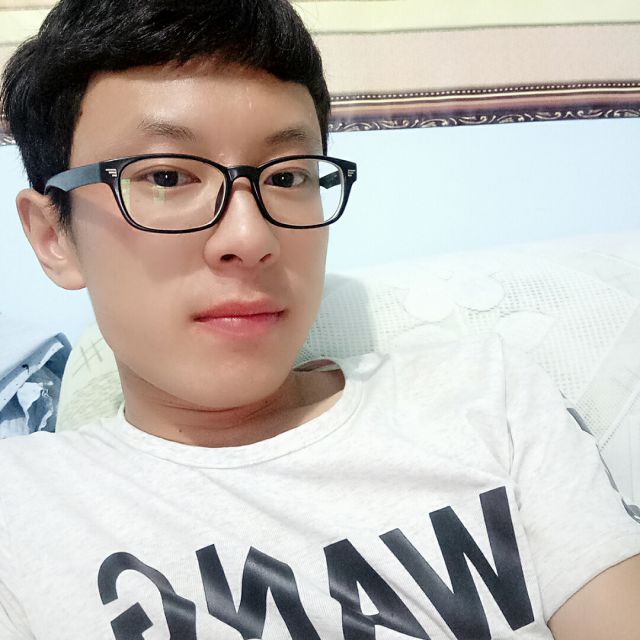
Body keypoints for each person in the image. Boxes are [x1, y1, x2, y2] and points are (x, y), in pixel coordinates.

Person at [0, 0, 638, 638]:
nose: (250, 237)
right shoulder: (21, 514)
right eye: (167, 175)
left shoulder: (485, 399)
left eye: (288, 177)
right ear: (54, 236)